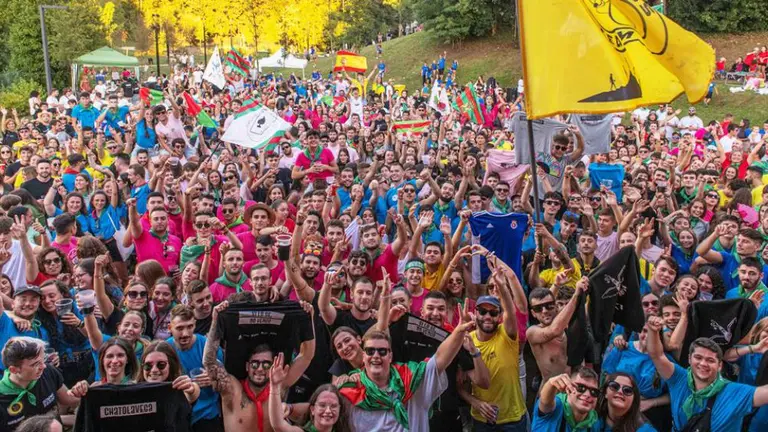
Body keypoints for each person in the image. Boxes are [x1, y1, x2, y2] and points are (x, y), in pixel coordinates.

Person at [203, 300, 316, 432]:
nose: (260, 369)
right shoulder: (232, 390)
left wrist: (309, 318)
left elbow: (307, 355)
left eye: (266, 364)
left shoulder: (280, 385)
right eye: (255, 364)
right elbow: (209, 362)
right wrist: (216, 321)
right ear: (247, 366)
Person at [646, 315, 768, 431]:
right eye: (698, 357)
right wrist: (653, 331)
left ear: (720, 365)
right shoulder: (678, 378)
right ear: (689, 359)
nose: (703, 363)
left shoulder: (734, 392)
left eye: (710, 360)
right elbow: (657, 355)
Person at [0, 337, 87, 430]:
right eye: (35, 364)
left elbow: (68, 398)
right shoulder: (2, 398)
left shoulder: (47, 372)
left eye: (43, 360)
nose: (43, 366)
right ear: (14, 369)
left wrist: (81, 390)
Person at [532, 367, 601, 431]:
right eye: (581, 388)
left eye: (594, 392)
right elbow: (545, 402)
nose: (587, 394)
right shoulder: (557, 406)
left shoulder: (594, 422)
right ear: (568, 387)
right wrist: (551, 384)